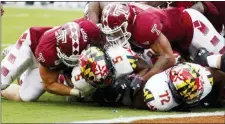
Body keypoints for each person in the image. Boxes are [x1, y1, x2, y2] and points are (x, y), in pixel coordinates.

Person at [100, 2, 225, 84]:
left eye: (116, 32)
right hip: (173, 37)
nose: (113, 36)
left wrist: (143, 79)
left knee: (220, 60)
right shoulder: (129, 15)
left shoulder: (143, 26)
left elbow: (168, 58)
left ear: (128, 23)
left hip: (193, 28)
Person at [1, 18, 102, 101]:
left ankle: (23, 76)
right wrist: (77, 92)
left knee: (26, 96)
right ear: (58, 47)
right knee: (2, 82)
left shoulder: (91, 31)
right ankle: (15, 52)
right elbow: (49, 84)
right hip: (31, 47)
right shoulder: (47, 51)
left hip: (54, 60)